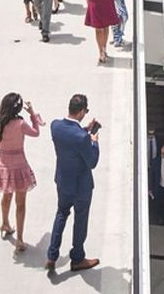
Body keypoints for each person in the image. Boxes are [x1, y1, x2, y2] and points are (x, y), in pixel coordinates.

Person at [46, 93, 101, 273]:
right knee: (80, 221)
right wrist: (94, 142)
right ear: (82, 111)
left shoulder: (55, 126)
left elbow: (71, 138)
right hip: (81, 186)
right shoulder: (83, 138)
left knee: (61, 213)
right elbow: (92, 162)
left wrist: (84, 130)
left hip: (63, 182)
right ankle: (77, 258)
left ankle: (52, 255)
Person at [0, 92, 43, 253]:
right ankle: (20, 239)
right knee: (20, 204)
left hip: (3, 165)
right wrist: (33, 115)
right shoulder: (21, 124)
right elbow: (36, 132)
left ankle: (5, 223)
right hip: (19, 165)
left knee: (6, 196)